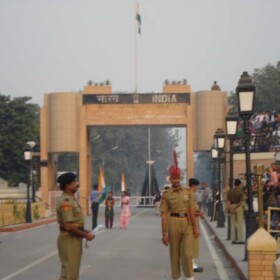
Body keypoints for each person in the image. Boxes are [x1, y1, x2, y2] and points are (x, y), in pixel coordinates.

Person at [160, 151, 199, 280]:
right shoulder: (167, 195)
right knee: (174, 254)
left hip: (186, 222)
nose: (176, 180)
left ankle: (189, 277)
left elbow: (191, 211)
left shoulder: (188, 192)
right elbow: (164, 215)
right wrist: (164, 234)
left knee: (187, 253)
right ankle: (176, 277)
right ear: (170, 179)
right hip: (173, 223)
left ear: (180, 179)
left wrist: (195, 228)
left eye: (178, 178)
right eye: (174, 178)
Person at [56, 172, 95, 280]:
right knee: (70, 275)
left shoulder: (71, 199)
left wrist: (84, 231)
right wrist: (86, 235)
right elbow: (68, 226)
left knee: (68, 274)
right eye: (74, 182)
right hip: (69, 239)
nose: (76, 184)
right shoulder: (66, 202)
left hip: (73, 238)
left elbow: (73, 224)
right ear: (67, 186)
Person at [189, 178, 204, 273]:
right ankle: (191, 264)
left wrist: (199, 212)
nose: (196, 188)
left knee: (191, 243)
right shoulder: (190, 195)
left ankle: (190, 263)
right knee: (192, 243)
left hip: (194, 220)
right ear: (194, 186)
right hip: (192, 221)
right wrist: (199, 213)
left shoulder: (190, 194)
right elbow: (190, 209)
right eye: (196, 186)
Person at [227, 179, 245, 244]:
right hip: (238, 207)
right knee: (240, 224)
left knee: (233, 224)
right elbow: (241, 202)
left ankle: (233, 239)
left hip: (232, 207)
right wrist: (236, 206)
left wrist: (231, 207)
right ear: (239, 184)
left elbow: (228, 201)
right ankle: (240, 239)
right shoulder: (241, 192)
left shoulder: (230, 191)